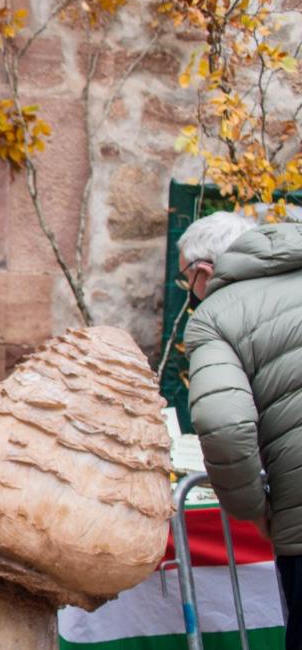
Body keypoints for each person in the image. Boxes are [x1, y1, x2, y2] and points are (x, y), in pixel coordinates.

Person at [181, 212, 302, 647]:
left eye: (186, 282)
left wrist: (257, 511)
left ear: (203, 272)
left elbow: (223, 425)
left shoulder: (214, 317)